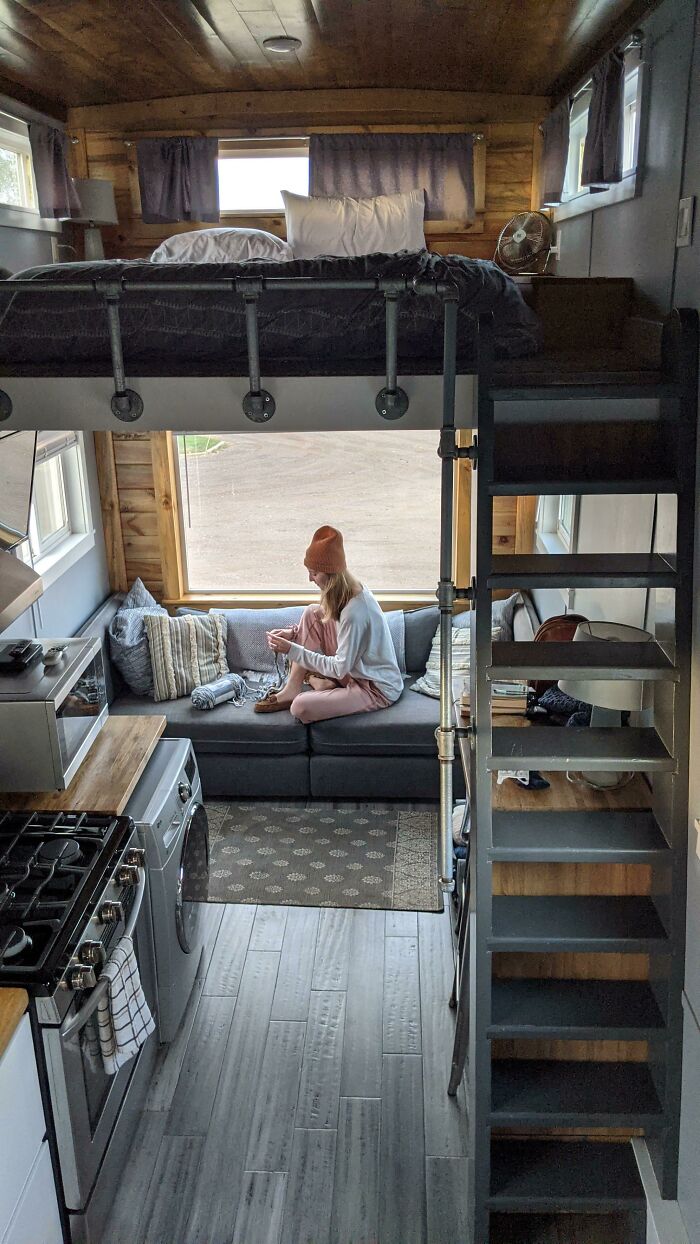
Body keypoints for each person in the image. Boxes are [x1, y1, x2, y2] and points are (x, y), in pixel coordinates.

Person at [254, 525, 403, 724]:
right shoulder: (347, 593)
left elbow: (340, 667)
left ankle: (320, 684)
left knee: (300, 707)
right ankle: (292, 688)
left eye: (314, 573)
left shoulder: (356, 611)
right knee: (312, 612)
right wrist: (294, 633)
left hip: (373, 687)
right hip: (353, 671)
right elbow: (332, 628)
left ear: (331, 575)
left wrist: (291, 649)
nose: (310, 579)